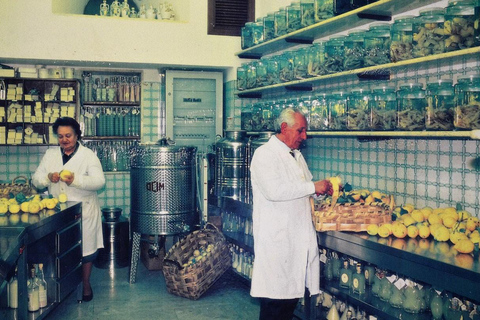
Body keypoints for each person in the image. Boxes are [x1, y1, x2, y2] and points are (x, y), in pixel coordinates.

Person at [250, 107, 332, 320]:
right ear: (284, 128)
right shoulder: (264, 155)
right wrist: (313, 187)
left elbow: (304, 188)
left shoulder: (296, 156)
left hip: (295, 241)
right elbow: (275, 191)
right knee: (274, 307)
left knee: (288, 305)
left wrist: (320, 193)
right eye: (300, 131)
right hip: (277, 244)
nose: (304, 137)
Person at [32, 117, 105, 303]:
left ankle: (86, 284)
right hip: (57, 211)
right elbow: (36, 180)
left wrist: (75, 179)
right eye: (61, 136)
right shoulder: (50, 155)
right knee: (59, 250)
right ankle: (61, 285)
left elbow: (99, 182)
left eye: (68, 136)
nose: (64, 140)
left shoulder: (88, 155)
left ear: (77, 135)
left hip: (84, 209)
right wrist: (48, 177)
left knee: (86, 250)